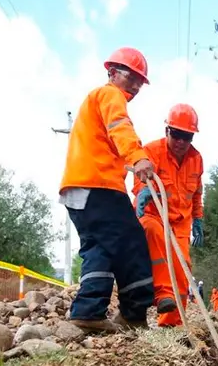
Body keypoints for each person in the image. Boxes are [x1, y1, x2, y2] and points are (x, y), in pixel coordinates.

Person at [59, 47, 156, 333]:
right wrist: (138, 157)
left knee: (100, 247)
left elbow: (108, 138)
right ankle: (134, 314)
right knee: (132, 243)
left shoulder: (95, 101)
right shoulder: (110, 94)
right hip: (98, 187)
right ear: (112, 73)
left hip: (79, 188)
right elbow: (120, 127)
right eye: (132, 77)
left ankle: (88, 311)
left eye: (141, 81)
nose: (136, 85)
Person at [133, 103, 205, 328]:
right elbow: (138, 179)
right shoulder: (152, 151)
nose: (182, 141)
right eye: (177, 134)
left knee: (183, 269)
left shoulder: (197, 159)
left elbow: (197, 192)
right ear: (167, 131)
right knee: (152, 232)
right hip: (154, 215)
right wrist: (142, 191)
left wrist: (198, 218)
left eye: (187, 136)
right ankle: (163, 293)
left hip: (181, 223)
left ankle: (171, 324)